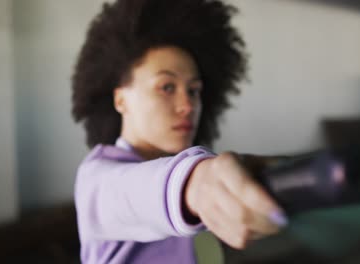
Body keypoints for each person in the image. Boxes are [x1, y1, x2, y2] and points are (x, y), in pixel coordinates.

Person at [71, 0, 288, 263]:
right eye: (167, 87)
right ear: (121, 100)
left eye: (194, 91)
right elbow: (133, 194)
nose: (188, 106)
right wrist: (198, 184)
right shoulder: (97, 180)